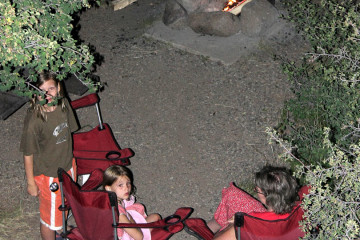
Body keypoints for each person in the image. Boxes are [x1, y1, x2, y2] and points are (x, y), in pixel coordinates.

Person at [20, 71, 79, 240]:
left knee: (66, 202)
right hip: (49, 176)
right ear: (34, 94)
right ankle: (53, 231)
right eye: (41, 91)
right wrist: (31, 183)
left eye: (51, 88)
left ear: (58, 88)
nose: (47, 94)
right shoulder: (35, 121)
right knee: (49, 219)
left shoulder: (63, 104)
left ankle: (61, 228)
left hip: (68, 166)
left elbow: (69, 134)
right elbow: (28, 153)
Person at [207, 165, 306, 240]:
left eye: (257, 190)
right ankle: (210, 226)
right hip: (286, 228)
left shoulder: (250, 223)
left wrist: (234, 225)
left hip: (259, 233)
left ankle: (207, 231)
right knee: (233, 195)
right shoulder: (305, 204)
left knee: (231, 199)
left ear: (267, 197)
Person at [103, 165, 162, 240]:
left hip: (128, 230)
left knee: (155, 217)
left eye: (128, 183)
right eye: (120, 185)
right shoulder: (119, 214)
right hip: (128, 237)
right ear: (108, 188)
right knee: (156, 221)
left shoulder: (109, 200)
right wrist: (129, 217)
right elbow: (139, 237)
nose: (126, 188)